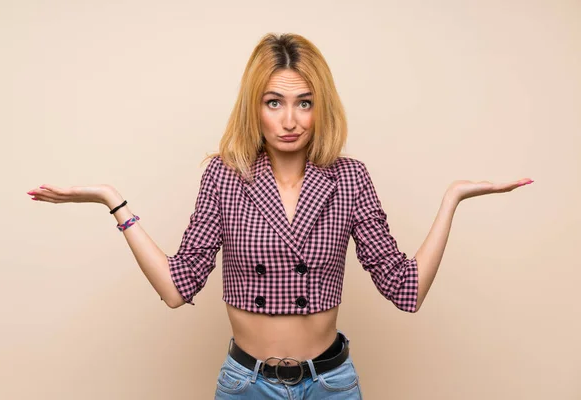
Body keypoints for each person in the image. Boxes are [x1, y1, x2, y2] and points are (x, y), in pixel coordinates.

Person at [27, 33, 533, 399]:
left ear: (320, 108)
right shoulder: (225, 177)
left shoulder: (349, 177)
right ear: (256, 107)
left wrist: (451, 200)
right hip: (246, 384)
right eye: (274, 102)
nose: (289, 120)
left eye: (303, 103)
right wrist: (114, 201)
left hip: (331, 384)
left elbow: (406, 290)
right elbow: (177, 288)